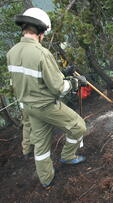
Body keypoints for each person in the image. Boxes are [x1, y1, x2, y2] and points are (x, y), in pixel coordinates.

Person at [7, 8, 87, 188]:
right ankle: (68, 156)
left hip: (28, 106)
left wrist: (60, 73)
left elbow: (32, 78)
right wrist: (74, 82)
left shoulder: (11, 52)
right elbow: (59, 88)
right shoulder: (42, 53)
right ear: (41, 31)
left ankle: (46, 178)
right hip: (46, 106)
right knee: (78, 127)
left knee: (41, 145)